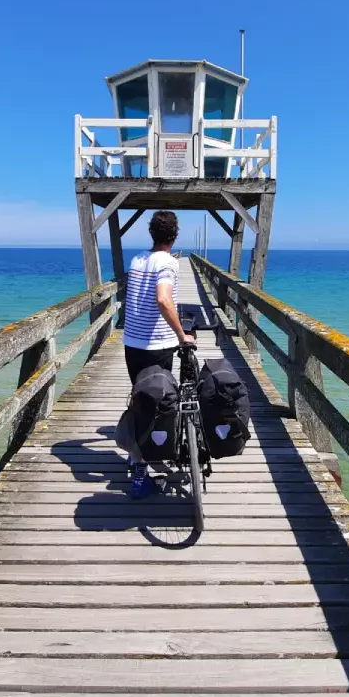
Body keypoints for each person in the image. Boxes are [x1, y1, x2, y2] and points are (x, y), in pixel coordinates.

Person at [122, 210, 194, 498]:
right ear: (174, 235)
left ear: (152, 233)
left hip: (132, 344)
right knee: (159, 406)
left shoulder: (138, 259)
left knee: (141, 402)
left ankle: (137, 454)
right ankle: (141, 473)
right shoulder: (168, 263)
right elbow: (164, 299)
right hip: (157, 347)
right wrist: (182, 335)